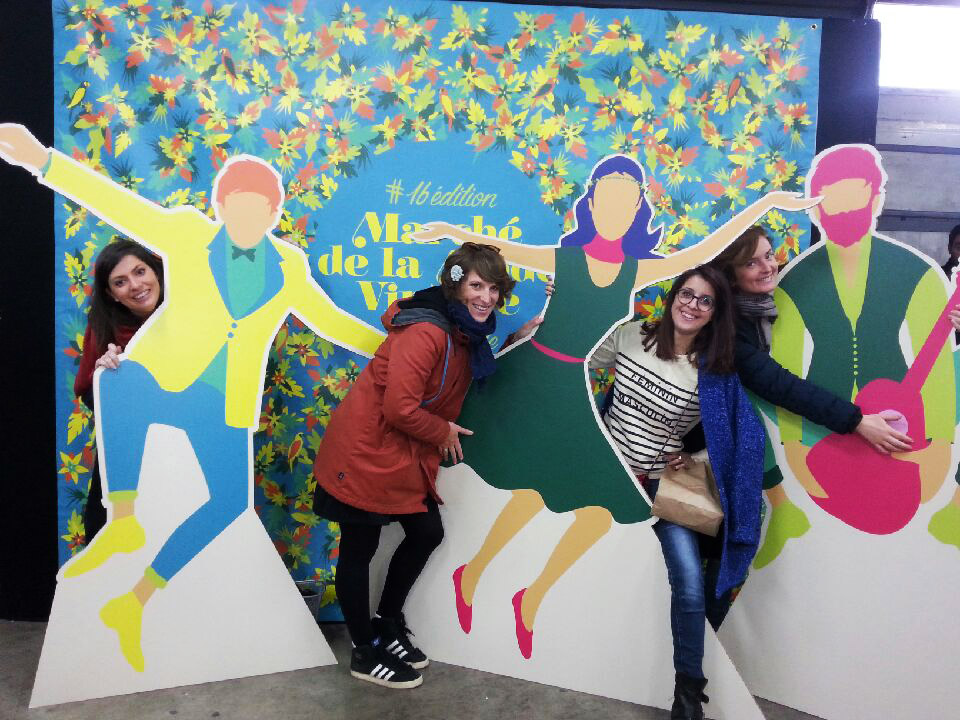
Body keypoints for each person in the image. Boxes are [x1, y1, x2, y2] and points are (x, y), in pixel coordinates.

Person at [0, 123, 385, 672]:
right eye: (237, 207)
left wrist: (402, 347)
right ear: (221, 207)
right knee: (119, 380)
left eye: (260, 209)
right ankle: (123, 518)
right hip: (165, 380)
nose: (247, 219)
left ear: (274, 212)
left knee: (228, 504)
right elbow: (118, 206)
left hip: (223, 401)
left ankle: (134, 603)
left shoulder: (288, 267)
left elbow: (331, 322)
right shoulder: (186, 234)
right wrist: (42, 161)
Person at [414, 154, 816, 658]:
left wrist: (766, 203)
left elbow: (705, 252)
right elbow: (501, 251)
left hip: (571, 390)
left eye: (626, 203)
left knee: (597, 507)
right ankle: (473, 577)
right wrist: (451, 232)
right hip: (535, 377)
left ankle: (524, 596)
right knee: (527, 485)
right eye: (608, 200)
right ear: (592, 204)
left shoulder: (635, 272)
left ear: (635, 213)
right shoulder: (566, 260)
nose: (615, 211)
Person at [312, 243, 545, 689]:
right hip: (364, 452)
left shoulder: (464, 332)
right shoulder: (426, 332)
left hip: (398, 452)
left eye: (494, 288)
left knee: (426, 533)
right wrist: (442, 432)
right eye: (477, 286)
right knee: (359, 548)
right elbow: (400, 407)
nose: (486, 297)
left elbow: (468, 377)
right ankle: (364, 652)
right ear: (455, 287)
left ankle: (385, 622)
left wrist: (517, 340)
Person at [757, 145, 959, 558]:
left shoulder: (916, 272)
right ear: (816, 208)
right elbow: (785, 367)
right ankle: (782, 512)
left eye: (855, 197)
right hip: (819, 415)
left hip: (902, 416)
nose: (845, 211)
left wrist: (939, 446)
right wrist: (793, 446)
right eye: (834, 200)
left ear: (877, 199)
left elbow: (938, 367)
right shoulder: (794, 280)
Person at [590, 266, 764, 720]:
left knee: (689, 584)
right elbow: (576, 366)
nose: (693, 305)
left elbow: (731, 433)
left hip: (661, 489)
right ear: (673, 297)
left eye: (706, 301)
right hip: (607, 478)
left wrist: (694, 457)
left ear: (715, 312)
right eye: (687, 294)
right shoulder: (631, 336)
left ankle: (688, 696)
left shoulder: (713, 369)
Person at [709, 225, 914, 566]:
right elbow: (778, 384)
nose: (768, 267)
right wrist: (857, 421)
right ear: (731, 275)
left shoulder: (771, 307)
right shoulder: (726, 326)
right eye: (751, 263)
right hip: (725, 458)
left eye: (769, 255)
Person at [74, 239, 164, 540]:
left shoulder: (188, 318)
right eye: (120, 282)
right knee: (111, 537)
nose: (136, 285)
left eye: (140, 271)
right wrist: (108, 377)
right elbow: (90, 395)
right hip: (125, 458)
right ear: (111, 294)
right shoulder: (104, 327)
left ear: (156, 272)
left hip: (180, 452)